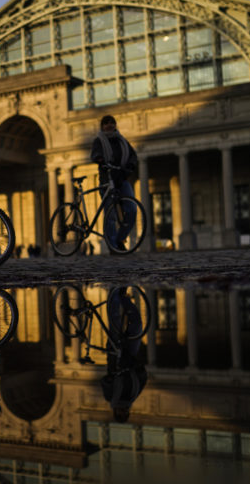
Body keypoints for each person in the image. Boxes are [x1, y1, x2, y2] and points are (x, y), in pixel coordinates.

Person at [90, 115, 138, 254]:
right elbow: (95, 153)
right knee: (110, 215)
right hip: (107, 180)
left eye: (112, 123)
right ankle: (112, 246)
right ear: (102, 126)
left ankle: (120, 239)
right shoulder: (99, 141)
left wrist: (130, 165)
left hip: (121, 179)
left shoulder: (122, 140)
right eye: (106, 123)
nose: (109, 125)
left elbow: (132, 155)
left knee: (132, 209)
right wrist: (100, 159)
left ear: (115, 124)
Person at [100, 287, 147, 423]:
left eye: (120, 413)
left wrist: (112, 376)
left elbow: (105, 381)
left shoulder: (110, 397)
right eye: (125, 413)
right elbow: (143, 379)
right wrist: (139, 368)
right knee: (137, 324)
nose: (123, 411)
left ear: (115, 411)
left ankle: (113, 294)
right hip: (130, 356)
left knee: (115, 322)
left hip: (116, 356)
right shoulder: (134, 396)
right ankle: (123, 296)